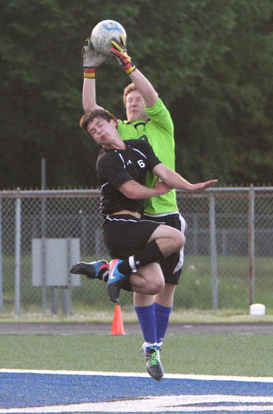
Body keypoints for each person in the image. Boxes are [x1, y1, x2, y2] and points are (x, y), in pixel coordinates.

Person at [71, 35, 217, 380]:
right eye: (130, 99)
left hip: (165, 213)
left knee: (164, 285)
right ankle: (149, 344)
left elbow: (151, 96)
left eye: (139, 97)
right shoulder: (118, 133)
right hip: (139, 216)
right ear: (120, 111)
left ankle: (154, 343)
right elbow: (91, 112)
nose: (136, 101)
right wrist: (89, 72)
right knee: (148, 282)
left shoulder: (159, 125)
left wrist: (128, 66)